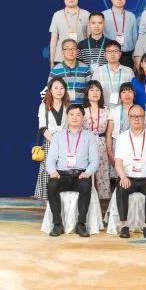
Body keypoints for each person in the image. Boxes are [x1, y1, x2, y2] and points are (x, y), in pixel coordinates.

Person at [45, 106, 98, 237]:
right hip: (61, 174)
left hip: (80, 175)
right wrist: (52, 171)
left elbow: (95, 160)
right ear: (67, 117)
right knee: (51, 185)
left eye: (78, 114)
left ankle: (81, 224)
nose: (75, 117)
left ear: (83, 118)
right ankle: (57, 224)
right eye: (71, 114)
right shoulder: (58, 136)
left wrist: (88, 172)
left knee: (85, 186)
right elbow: (50, 158)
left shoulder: (90, 136)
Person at [112, 105, 146, 239]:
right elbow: (118, 161)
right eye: (133, 116)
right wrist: (123, 177)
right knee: (122, 188)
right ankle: (124, 226)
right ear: (128, 118)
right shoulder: (122, 137)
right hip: (128, 177)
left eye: (140, 116)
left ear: (144, 118)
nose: (137, 119)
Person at [37, 78, 70, 200]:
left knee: (64, 169)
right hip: (50, 142)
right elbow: (42, 127)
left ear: (65, 90)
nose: (59, 90)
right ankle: (47, 199)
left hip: (66, 142)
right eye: (55, 88)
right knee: (48, 170)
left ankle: (62, 196)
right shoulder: (44, 106)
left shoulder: (68, 106)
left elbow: (71, 126)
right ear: (50, 90)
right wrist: (55, 142)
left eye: (62, 88)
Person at [82, 81, 112, 200]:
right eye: (92, 90)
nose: (95, 93)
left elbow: (109, 133)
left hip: (102, 143)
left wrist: (109, 151)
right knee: (86, 171)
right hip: (85, 144)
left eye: (98, 90)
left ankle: (103, 200)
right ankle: (86, 198)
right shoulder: (82, 110)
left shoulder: (107, 110)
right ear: (87, 93)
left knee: (103, 172)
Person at [49, 39, 93, 105]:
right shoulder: (55, 70)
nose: (70, 51)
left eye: (73, 48)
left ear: (77, 51)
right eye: (67, 49)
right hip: (62, 108)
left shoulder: (85, 69)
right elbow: (50, 91)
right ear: (62, 51)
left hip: (81, 109)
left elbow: (90, 90)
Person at [103, 0, 139, 66]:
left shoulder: (131, 16)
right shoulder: (104, 15)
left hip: (127, 56)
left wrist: (135, 57)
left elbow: (135, 38)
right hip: (109, 56)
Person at [92, 41, 134, 108]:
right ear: (105, 54)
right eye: (109, 51)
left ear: (120, 54)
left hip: (123, 109)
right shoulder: (98, 71)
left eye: (115, 51)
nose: (112, 54)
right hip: (104, 109)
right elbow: (93, 93)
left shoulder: (128, 71)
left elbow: (132, 92)